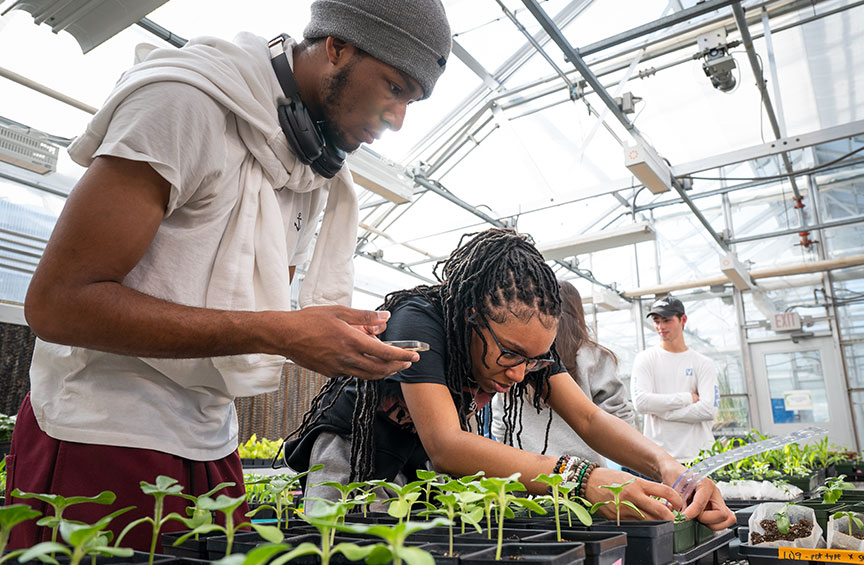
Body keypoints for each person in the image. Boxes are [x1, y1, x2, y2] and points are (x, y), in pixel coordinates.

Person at [7, 0, 452, 551]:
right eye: (395, 86)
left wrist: (303, 328)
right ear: (337, 46)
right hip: (101, 434)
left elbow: (251, 314)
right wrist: (278, 332)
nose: (397, 118)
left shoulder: (305, 164)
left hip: (212, 442)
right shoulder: (186, 104)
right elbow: (58, 303)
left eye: (413, 99)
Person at [284, 229, 735, 529]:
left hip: (412, 461)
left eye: (534, 361)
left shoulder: (526, 352)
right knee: (341, 543)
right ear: (470, 317)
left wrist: (672, 469)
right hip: (353, 447)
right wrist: (578, 478)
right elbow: (447, 445)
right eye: (510, 354)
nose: (520, 373)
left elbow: (591, 420)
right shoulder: (418, 319)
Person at [490, 280, 634, 463]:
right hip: (584, 478)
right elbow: (620, 420)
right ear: (578, 311)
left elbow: (500, 423)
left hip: (527, 476)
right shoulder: (594, 357)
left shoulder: (519, 357)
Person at [630, 296, 719, 463]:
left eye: (667, 320)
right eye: (656, 321)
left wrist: (665, 412)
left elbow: (708, 409)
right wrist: (686, 398)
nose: (660, 327)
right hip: (659, 458)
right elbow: (641, 402)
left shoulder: (703, 363)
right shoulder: (645, 359)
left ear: (683, 320)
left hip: (699, 456)